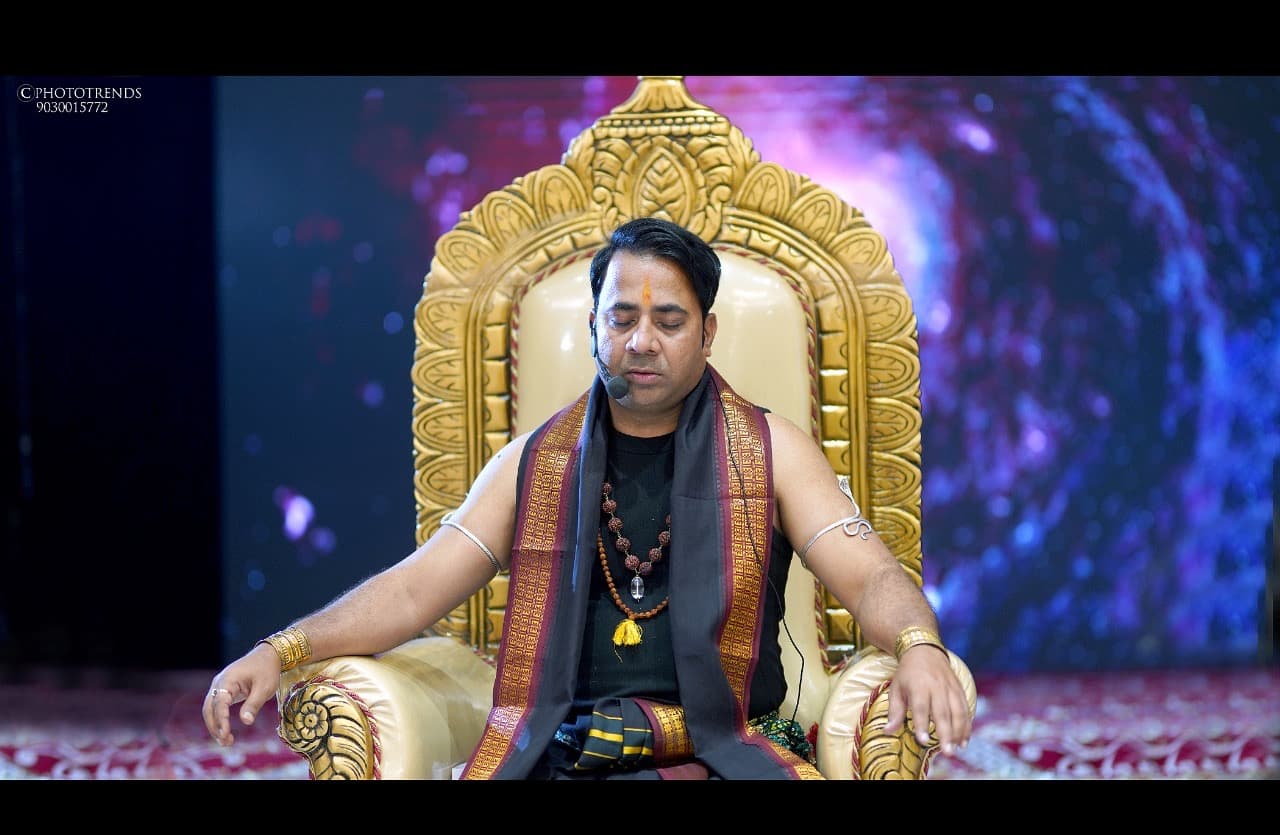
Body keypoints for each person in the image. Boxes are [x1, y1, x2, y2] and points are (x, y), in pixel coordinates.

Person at [203, 216, 973, 779]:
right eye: (622, 317)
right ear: (595, 325)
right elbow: (413, 589)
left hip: (731, 748)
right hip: (569, 751)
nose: (642, 341)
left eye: (668, 321)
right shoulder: (532, 463)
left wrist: (919, 645)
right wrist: (284, 648)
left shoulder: (774, 451)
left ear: (707, 333)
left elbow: (870, 574)